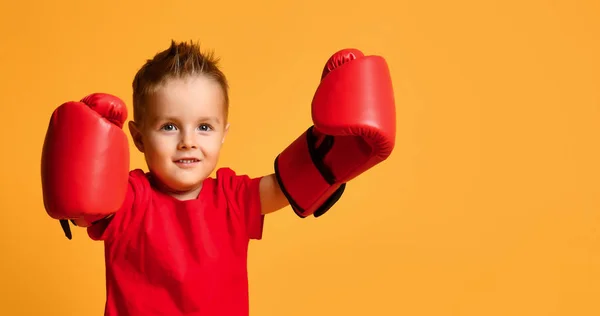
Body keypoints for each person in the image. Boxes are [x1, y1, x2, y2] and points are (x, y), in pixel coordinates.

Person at [41, 40, 396, 316]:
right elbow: (82, 206)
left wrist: (335, 149)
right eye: (168, 126)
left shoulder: (233, 196)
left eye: (204, 127)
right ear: (137, 137)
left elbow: (287, 187)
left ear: (223, 134)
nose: (188, 141)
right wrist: (83, 147)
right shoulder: (129, 197)